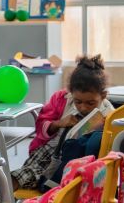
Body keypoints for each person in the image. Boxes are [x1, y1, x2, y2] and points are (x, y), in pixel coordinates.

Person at [11, 54, 113, 192]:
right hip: (51, 150)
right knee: (22, 176)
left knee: (39, 179)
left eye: (90, 103)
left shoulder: (108, 112)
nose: (83, 107)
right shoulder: (61, 99)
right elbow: (41, 125)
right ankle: (8, 194)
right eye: (78, 102)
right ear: (71, 93)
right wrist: (58, 123)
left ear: (103, 96)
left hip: (79, 159)